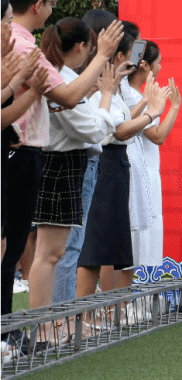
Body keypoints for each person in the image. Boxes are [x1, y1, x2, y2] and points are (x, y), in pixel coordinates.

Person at [2, 0, 124, 317]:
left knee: (31, 251)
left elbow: (66, 95)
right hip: (22, 151)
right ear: (38, 5)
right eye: (51, 2)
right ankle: (38, 329)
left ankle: (33, 329)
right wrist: (103, 56)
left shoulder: (22, 44)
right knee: (33, 252)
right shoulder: (24, 44)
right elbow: (68, 97)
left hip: (27, 151)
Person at [28, 19, 112, 315]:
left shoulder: (63, 75)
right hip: (59, 163)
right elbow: (89, 130)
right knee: (50, 254)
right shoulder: (60, 77)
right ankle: (48, 324)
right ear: (80, 47)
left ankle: (52, 323)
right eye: (91, 51)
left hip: (67, 162)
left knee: (56, 253)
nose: (90, 58)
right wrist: (106, 104)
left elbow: (88, 124)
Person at [78, 34, 168, 296]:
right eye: (133, 53)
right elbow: (120, 130)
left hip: (119, 162)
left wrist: (148, 105)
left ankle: (113, 306)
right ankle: (92, 310)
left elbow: (123, 118)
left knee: (116, 242)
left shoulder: (113, 88)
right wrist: (153, 111)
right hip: (106, 161)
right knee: (99, 245)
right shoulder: (102, 87)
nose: (137, 61)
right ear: (118, 57)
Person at [125, 41, 181, 280]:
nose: (160, 67)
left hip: (148, 171)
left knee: (149, 232)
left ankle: (144, 295)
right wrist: (174, 107)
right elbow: (157, 136)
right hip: (136, 172)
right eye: (158, 62)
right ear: (144, 64)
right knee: (137, 235)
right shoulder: (129, 94)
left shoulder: (139, 94)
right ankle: (131, 298)